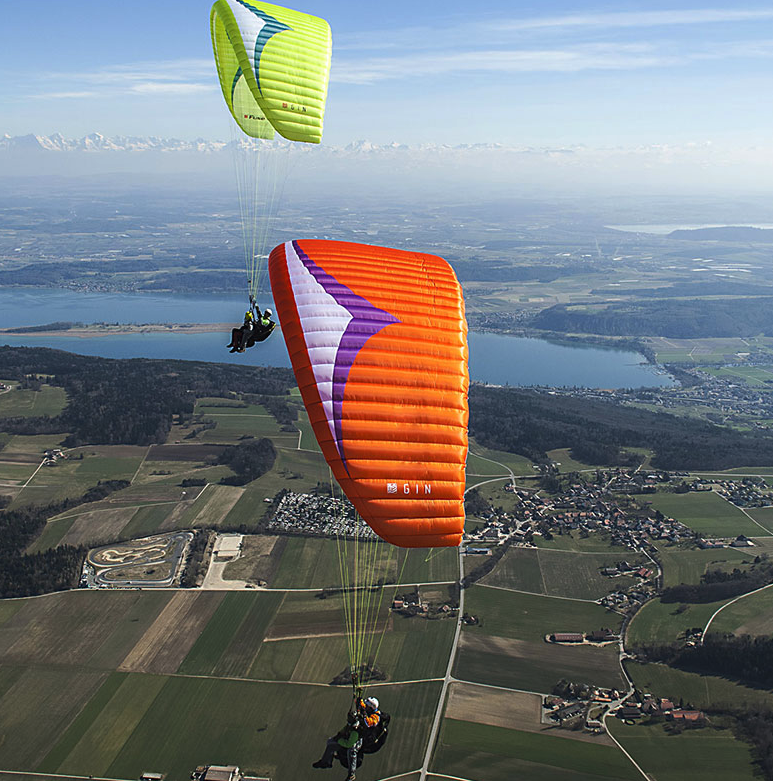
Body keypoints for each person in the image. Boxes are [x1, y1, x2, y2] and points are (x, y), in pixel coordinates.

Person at [312, 711, 363, 780]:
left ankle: (351, 774)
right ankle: (326, 762)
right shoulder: (350, 725)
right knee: (330, 743)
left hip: (353, 744)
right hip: (346, 740)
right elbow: (344, 730)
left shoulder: (355, 730)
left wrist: (339, 740)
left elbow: (349, 744)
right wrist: (338, 735)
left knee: (351, 752)